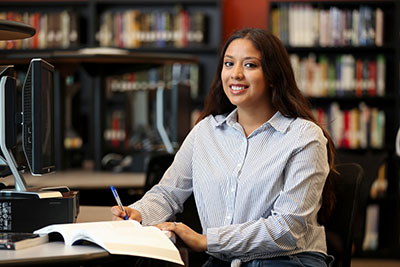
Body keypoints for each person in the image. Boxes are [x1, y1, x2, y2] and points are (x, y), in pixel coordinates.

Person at [111, 28, 335, 267]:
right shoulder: (205, 131)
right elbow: (168, 194)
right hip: (224, 260)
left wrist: (207, 241)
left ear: (272, 75)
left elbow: (287, 229)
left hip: (288, 259)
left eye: (250, 65)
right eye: (229, 64)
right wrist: (139, 213)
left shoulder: (304, 137)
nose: (236, 74)